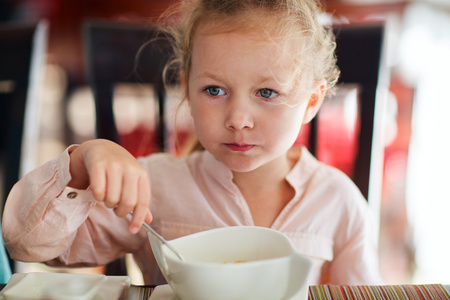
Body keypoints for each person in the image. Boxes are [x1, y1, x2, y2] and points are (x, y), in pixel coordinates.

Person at [2, 0, 383, 285]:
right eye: (214, 90)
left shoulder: (339, 203)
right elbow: (28, 246)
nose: (237, 119)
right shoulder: (154, 188)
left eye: (267, 92)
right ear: (187, 88)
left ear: (312, 101)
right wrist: (82, 164)